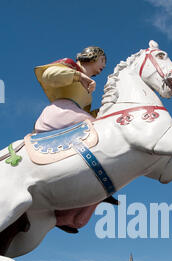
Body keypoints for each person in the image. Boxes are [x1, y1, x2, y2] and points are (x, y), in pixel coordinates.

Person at [34, 47, 118, 233]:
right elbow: (49, 75)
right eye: (102, 60)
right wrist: (77, 76)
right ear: (92, 56)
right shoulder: (70, 66)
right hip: (61, 112)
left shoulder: (88, 89)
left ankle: (71, 214)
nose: (103, 66)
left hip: (75, 116)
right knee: (102, 132)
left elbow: (87, 113)